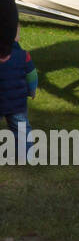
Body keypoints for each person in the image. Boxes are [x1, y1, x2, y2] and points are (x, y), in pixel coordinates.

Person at [0, 30, 38, 161]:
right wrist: (32, 91)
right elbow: (32, 75)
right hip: (17, 103)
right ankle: (27, 154)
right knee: (21, 128)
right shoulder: (23, 55)